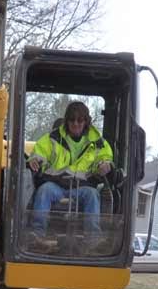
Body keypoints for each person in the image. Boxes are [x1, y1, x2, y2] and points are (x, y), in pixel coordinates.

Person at [27, 101, 113, 250]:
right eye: (72, 120)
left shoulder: (98, 142)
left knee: (93, 194)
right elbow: (39, 152)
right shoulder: (52, 138)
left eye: (80, 120)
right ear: (66, 121)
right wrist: (35, 159)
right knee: (44, 190)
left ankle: (93, 240)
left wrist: (105, 165)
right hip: (56, 185)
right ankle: (37, 235)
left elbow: (105, 158)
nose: (75, 123)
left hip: (82, 187)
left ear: (86, 121)